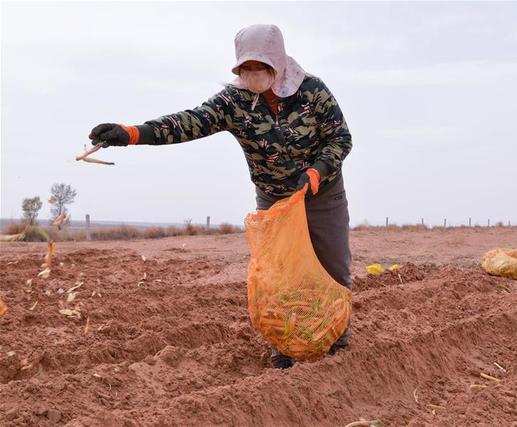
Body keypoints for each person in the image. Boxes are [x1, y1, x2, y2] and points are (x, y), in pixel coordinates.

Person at [88, 24, 353, 369]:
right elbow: (188, 122)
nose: (253, 74)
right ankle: (284, 346)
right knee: (276, 275)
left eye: (261, 67)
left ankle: (337, 341)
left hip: (321, 192)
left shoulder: (312, 91)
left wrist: (316, 172)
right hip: (273, 199)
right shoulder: (233, 101)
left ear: (277, 62)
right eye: (247, 68)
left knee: (332, 264)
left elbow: (341, 138)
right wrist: (132, 133)